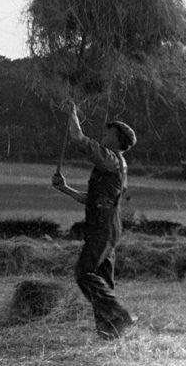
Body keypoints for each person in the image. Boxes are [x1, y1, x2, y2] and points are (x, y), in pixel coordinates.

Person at [52, 102, 136, 339]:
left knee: (84, 273)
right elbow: (91, 198)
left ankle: (119, 315)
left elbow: (79, 140)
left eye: (109, 132)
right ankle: (110, 333)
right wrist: (65, 189)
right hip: (107, 225)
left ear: (118, 139)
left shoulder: (110, 158)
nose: (104, 133)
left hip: (103, 227)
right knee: (102, 281)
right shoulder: (113, 164)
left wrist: (72, 114)